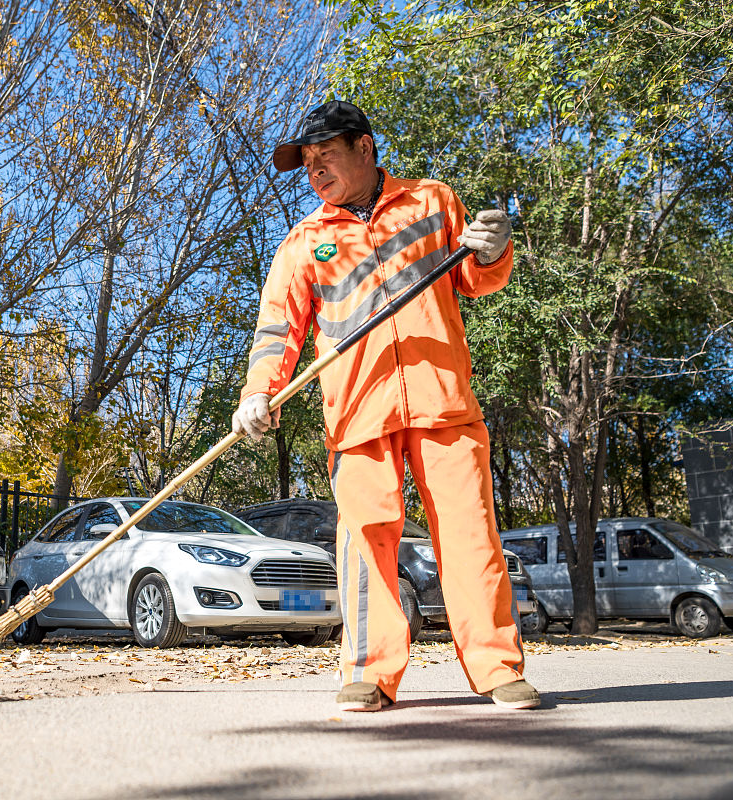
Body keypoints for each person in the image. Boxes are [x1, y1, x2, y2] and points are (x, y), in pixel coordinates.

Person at [231, 100, 539, 711]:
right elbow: (276, 333)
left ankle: (498, 667)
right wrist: (257, 393)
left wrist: (490, 249)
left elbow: (479, 277)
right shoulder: (304, 245)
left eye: (326, 157)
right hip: (356, 415)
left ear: (365, 149)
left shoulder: (431, 203)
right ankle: (369, 672)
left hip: (443, 403)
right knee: (365, 542)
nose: (314, 171)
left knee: (471, 535)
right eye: (307, 164)